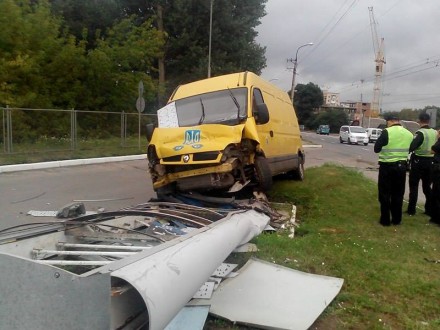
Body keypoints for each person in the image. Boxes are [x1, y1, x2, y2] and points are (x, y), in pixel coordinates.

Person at [374, 114, 414, 226]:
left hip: (387, 167)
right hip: (401, 168)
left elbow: (376, 148)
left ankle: (385, 220)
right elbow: (410, 148)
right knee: (398, 194)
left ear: (390, 121)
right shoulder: (409, 134)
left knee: (385, 194)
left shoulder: (387, 131)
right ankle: (397, 220)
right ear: (398, 121)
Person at [407, 113, 437, 216]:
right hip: (431, 163)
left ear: (420, 121)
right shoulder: (434, 132)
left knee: (414, 186)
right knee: (427, 187)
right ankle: (429, 210)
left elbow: (412, 146)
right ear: (429, 121)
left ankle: (411, 210)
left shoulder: (420, 133)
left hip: (418, 162)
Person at [430, 131, 440, 225]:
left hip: (438, 170)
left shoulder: (439, 142)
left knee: (436, 193)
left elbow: (433, 150)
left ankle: (436, 218)